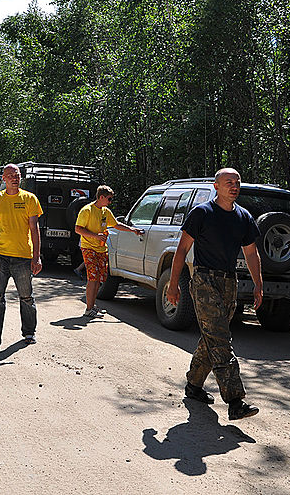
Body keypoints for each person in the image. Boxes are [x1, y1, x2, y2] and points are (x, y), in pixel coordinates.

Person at [166, 168, 264, 421]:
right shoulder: (202, 213)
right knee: (220, 338)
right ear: (216, 186)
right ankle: (235, 400)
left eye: (237, 182)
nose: (234, 186)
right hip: (204, 280)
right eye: (228, 182)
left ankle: (193, 385)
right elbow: (182, 248)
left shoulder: (243, 217)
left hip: (229, 282)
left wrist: (258, 284)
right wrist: (173, 283)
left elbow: (252, 253)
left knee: (212, 336)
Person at [0, 164, 44, 352]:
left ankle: (29, 333)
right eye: (10, 175)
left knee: (26, 297)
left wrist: (36, 257)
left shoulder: (30, 199)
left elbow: (34, 228)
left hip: (23, 257)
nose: (15, 178)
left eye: (17, 175)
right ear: (3, 179)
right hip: (1, 257)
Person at [74, 185, 143, 318]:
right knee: (92, 278)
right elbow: (78, 229)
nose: (111, 202)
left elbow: (116, 224)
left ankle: (92, 306)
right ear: (101, 197)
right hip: (89, 247)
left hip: (101, 249)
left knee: (99, 279)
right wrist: (96, 236)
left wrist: (132, 230)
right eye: (109, 199)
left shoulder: (105, 211)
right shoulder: (87, 210)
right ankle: (89, 309)